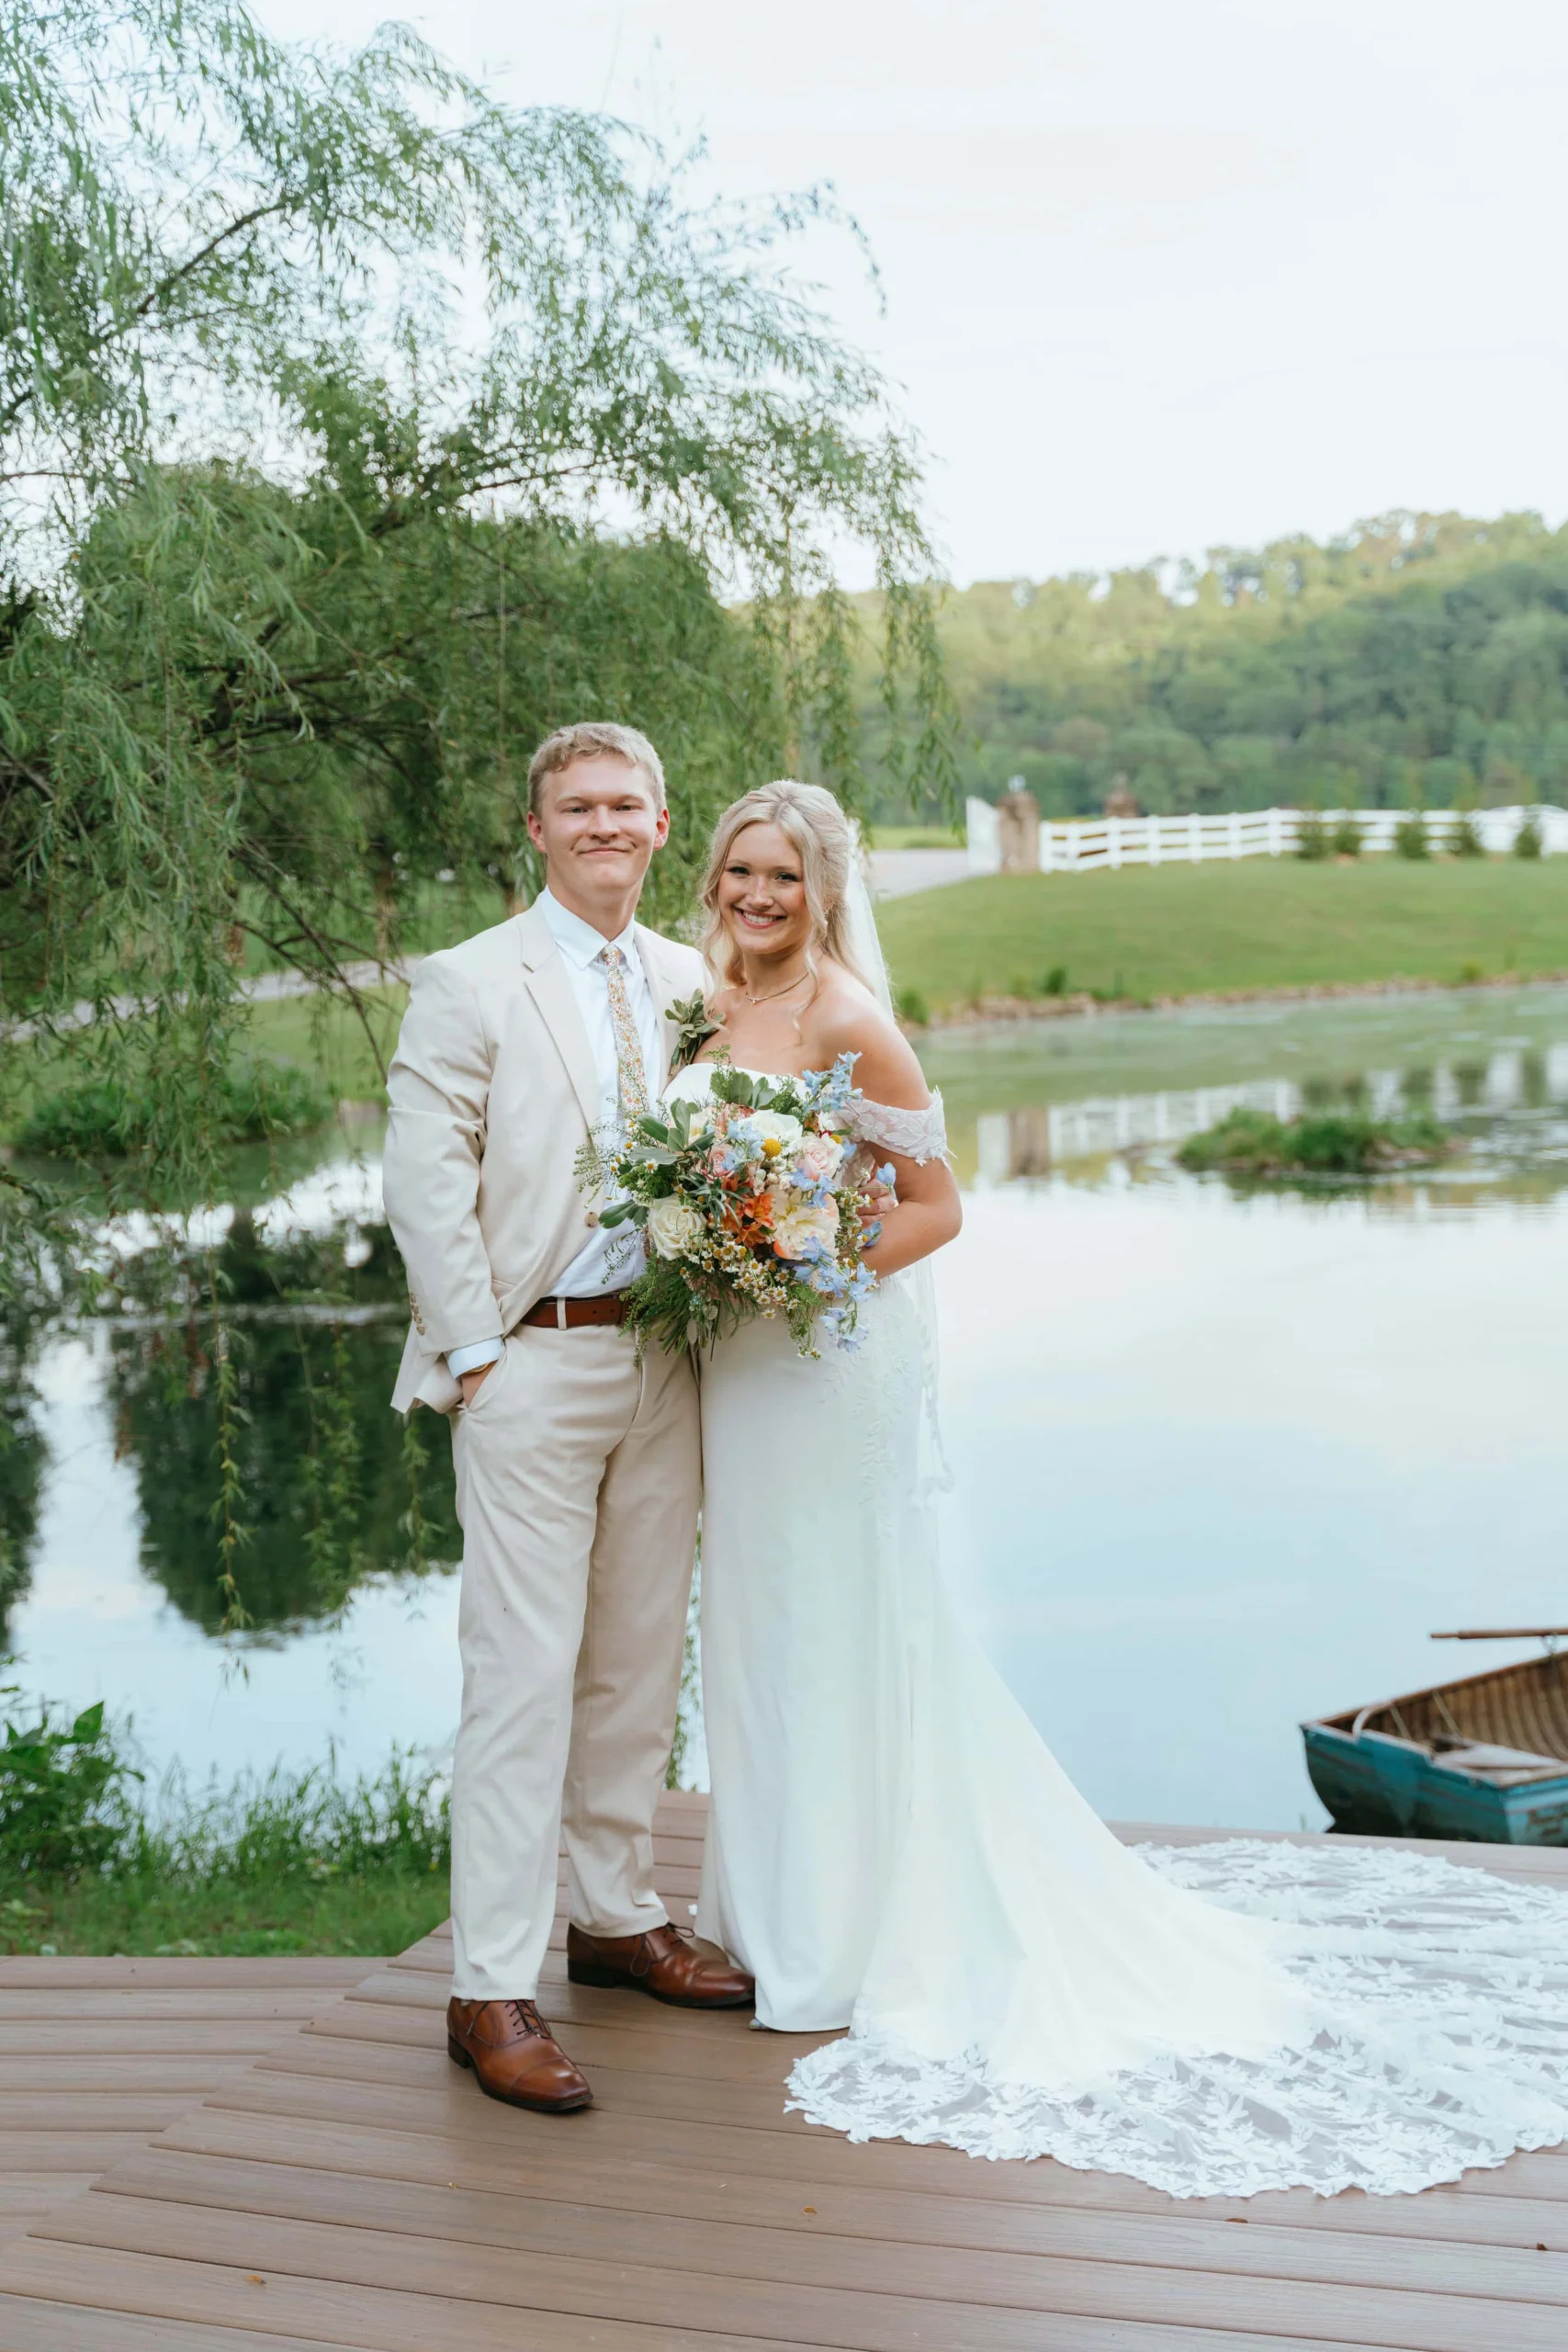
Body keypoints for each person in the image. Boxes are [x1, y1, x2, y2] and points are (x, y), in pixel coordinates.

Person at [671, 777, 1568, 2199]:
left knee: (843, 1627)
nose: (756, 896)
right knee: (758, 1629)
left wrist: (805, 1260)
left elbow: (935, 1206)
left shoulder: (849, 1015)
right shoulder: (703, 1005)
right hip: (735, 1371)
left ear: (824, 888)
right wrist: (715, 1243)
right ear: (713, 879)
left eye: (781, 876)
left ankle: (843, 1935)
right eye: (738, 872)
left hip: (822, 1364)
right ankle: (766, 1911)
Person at [381, 721, 753, 2119]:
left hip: (666, 1361)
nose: (603, 823)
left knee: (639, 1663)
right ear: (536, 831)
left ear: (664, 827)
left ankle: (613, 1915)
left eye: (627, 805)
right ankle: (487, 1987)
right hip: (528, 1364)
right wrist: (479, 1354)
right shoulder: (470, 980)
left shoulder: (688, 980)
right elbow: (425, 1182)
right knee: (520, 1677)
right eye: (576, 806)